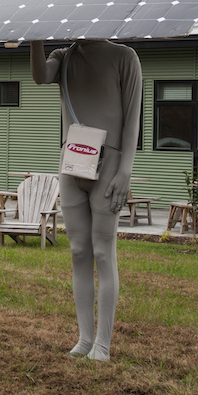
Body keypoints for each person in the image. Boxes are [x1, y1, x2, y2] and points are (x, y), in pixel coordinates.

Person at [30, 39, 141, 361]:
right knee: (79, 251)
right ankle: (84, 338)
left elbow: (133, 118)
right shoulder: (63, 57)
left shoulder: (124, 57)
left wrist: (126, 171)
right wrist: (36, 37)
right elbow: (40, 77)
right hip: (73, 162)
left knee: (104, 253)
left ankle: (103, 344)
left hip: (110, 163)